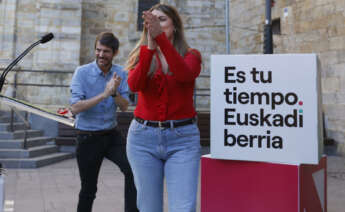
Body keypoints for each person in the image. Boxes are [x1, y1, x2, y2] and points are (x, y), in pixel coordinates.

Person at [125, 3, 202, 212]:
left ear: (174, 26)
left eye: (162, 20)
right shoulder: (142, 55)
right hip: (142, 139)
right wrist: (150, 48)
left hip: (182, 139)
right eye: (152, 21)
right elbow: (134, 85)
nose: (156, 25)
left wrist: (160, 40)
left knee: (183, 207)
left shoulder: (191, 55)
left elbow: (184, 74)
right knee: (148, 207)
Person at [69, 31, 138, 212]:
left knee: (133, 171)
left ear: (114, 53)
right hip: (87, 138)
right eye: (98, 50)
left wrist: (114, 93)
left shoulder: (120, 73)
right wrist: (104, 94)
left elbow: (124, 106)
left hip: (111, 135)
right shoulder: (81, 73)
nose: (100, 54)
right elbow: (74, 107)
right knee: (89, 189)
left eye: (106, 51)